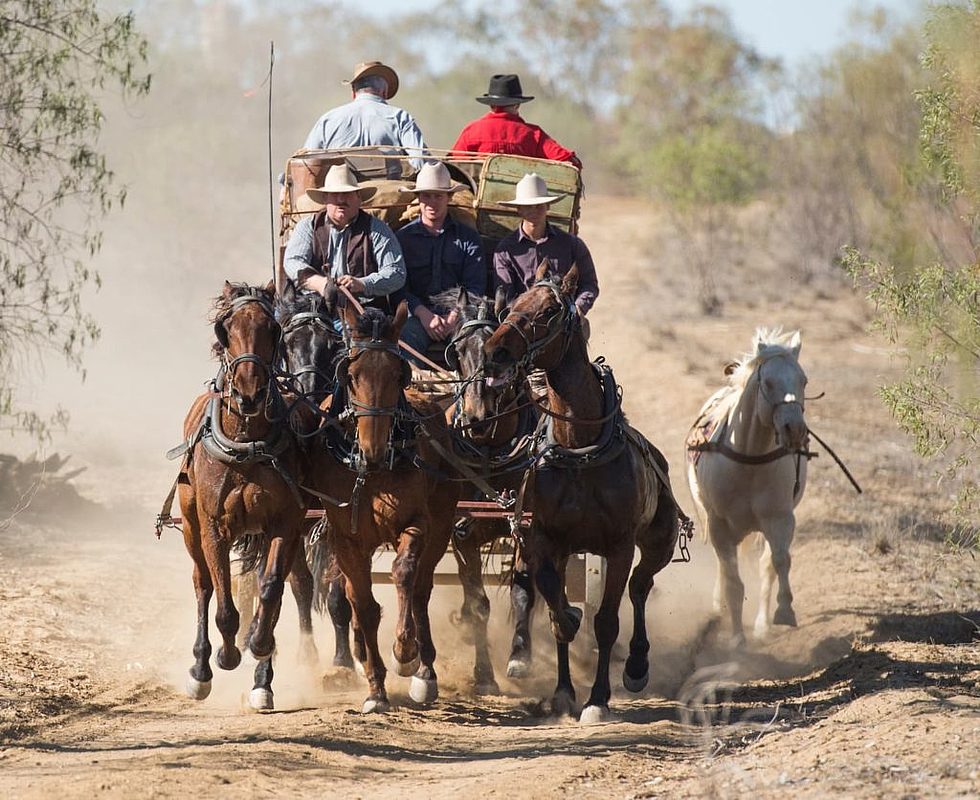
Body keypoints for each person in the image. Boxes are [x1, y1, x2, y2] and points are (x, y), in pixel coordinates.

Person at [283, 163, 406, 316]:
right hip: (314, 310)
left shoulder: (377, 229)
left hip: (363, 313)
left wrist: (362, 284)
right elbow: (293, 262)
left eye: (347, 193)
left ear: (359, 197)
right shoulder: (308, 227)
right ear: (325, 198)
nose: (341, 199)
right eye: (335, 194)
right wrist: (321, 284)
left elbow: (396, 273)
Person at [394, 162, 485, 361]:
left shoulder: (468, 238)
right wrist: (423, 314)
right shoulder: (403, 238)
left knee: (476, 342)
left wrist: (454, 316)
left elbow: (475, 285)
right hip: (418, 318)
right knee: (403, 342)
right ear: (418, 199)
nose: (432, 202)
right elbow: (398, 287)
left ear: (449, 198)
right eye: (426, 196)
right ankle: (413, 389)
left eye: (438, 196)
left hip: (460, 316)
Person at [493, 173, 599, 316]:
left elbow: (589, 284)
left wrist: (578, 308)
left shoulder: (572, 244)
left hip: (562, 321)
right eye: (528, 206)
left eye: (539, 206)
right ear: (518, 209)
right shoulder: (505, 250)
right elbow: (506, 294)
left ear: (548, 206)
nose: (534, 210)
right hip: (521, 323)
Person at [302, 61, 427, 175]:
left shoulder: (328, 119)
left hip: (339, 197)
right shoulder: (400, 117)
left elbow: (306, 164)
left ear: (353, 92)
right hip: (389, 196)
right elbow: (419, 161)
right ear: (384, 92)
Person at [452, 74, 581, 169]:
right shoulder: (534, 134)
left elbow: (453, 164)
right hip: (523, 203)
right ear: (517, 105)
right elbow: (569, 162)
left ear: (491, 105)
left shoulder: (472, 130)